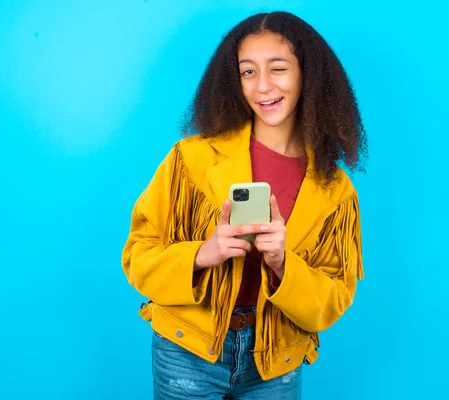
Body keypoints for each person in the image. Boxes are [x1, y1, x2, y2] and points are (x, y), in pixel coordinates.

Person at [121, 10, 367, 400]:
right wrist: (202, 254)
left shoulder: (336, 190)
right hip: (186, 349)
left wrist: (283, 265)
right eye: (248, 71)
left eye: (278, 68)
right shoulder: (191, 159)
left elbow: (334, 296)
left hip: (275, 361)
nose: (263, 85)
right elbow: (138, 255)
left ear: (309, 74)